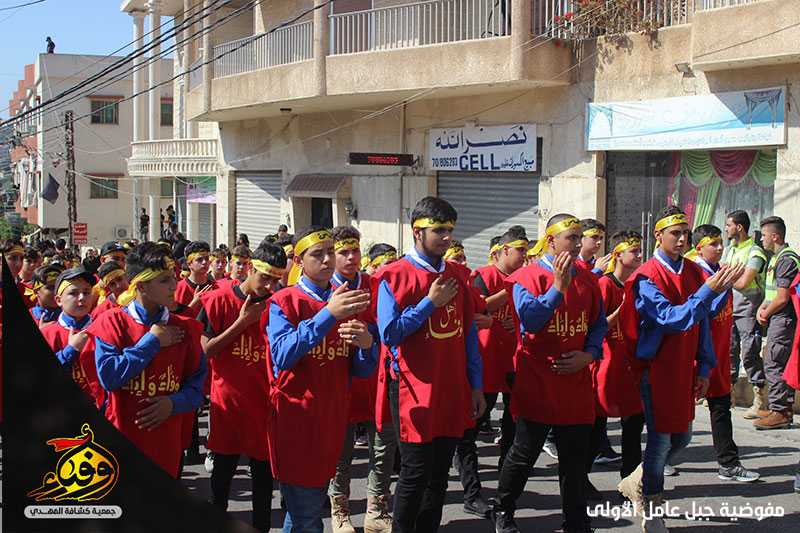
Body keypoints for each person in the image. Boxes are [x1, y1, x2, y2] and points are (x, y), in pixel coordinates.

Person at [616, 206, 742, 533]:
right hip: (656, 368)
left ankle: (638, 479)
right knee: (660, 442)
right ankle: (651, 509)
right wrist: (709, 290)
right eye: (676, 233)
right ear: (658, 235)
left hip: (684, 367)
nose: (683, 239)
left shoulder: (694, 271)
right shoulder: (646, 277)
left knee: (682, 436)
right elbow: (672, 319)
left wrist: (705, 368)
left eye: (685, 233)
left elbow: (702, 323)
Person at [375, 197, 485, 533]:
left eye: (450, 230)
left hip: (451, 386)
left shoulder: (458, 275)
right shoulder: (392, 276)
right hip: (412, 388)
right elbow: (390, 333)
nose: (447, 237)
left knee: (439, 477)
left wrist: (476, 384)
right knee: (414, 474)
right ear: (417, 231)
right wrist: (429, 303)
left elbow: (468, 334)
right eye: (438, 230)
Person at [492, 214, 607, 533]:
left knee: (574, 459)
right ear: (551, 240)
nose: (578, 243)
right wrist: (558, 287)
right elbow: (531, 320)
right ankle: (503, 509)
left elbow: (598, 324)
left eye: (580, 237)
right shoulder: (527, 277)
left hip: (576, 381)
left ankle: (576, 521)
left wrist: (589, 354)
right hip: (537, 381)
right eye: (571, 237)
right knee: (524, 453)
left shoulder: (587, 278)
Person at [267, 226, 378, 532]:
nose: (328, 260)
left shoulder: (347, 300)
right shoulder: (284, 301)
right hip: (297, 419)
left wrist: (367, 346)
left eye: (330, 252)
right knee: (308, 515)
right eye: (318, 254)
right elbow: (282, 355)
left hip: (332, 418)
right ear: (299, 261)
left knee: (303, 511)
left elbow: (361, 370)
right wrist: (328, 314)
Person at [87, 242, 207, 478]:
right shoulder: (111, 322)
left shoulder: (186, 327)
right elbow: (109, 377)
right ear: (141, 286)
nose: (174, 285)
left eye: (173, 277)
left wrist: (174, 403)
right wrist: (151, 342)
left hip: (167, 445)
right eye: (164, 280)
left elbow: (198, 386)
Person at [199, 243, 287, 533]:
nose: (269, 286)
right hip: (227, 405)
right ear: (250, 268)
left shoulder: (277, 304)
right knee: (222, 476)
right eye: (265, 278)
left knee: (263, 477)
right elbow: (206, 351)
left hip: (264, 404)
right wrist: (242, 322)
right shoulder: (217, 301)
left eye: (276, 280)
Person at [327, 226, 396, 533]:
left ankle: (376, 511)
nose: (351, 257)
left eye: (354, 251)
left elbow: (391, 330)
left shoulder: (376, 285)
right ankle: (340, 511)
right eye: (343, 252)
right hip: (339, 385)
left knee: (382, 450)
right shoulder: (324, 288)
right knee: (340, 455)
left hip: (376, 383)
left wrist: (372, 339)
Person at [689, 225, 760, 482]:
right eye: (714, 244)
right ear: (699, 248)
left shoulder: (719, 270)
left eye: (721, 243)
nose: (720, 248)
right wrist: (721, 286)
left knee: (721, 408)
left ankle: (728, 464)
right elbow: (698, 311)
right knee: (678, 416)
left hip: (719, 355)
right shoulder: (695, 274)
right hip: (697, 356)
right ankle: (656, 462)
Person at [588, 231, 645, 495]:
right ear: (618, 255)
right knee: (595, 429)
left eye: (640, 250)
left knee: (633, 428)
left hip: (632, 366)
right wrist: (622, 310)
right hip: (607, 366)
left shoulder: (639, 284)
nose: (640, 255)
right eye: (634, 251)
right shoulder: (605, 284)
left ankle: (630, 483)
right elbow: (595, 326)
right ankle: (579, 480)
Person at [471, 228, 528, 470]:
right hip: (488, 355)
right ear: (505, 250)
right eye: (520, 250)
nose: (524, 256)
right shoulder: (483, 275)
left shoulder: (527, 276)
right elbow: (478, 308)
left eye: (526, 251)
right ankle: (466, 461)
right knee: (479, 414)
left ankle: (508, 463)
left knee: (514, 415)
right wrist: (508, 290)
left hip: (515, 355)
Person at [721, 210, 768, 418]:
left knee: (749, 353)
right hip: (729, 308)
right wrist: (733, 274)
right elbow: (722, 273)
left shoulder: (755, 252)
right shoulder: (730, 249)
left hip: (748, 309)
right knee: (729, 352)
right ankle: (728, 395)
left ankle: (759, 400)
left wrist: (729, 275)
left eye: (728, 225)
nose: (726, 229)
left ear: (739, 227)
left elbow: (743, 283)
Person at [753, 216, 798, 430]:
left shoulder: (787, 259)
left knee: (774, 362)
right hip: (776, 317)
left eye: (764, 235)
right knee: (775, 360)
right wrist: (762, 308)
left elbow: (782, 298)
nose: (761, 239)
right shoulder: (775, 258)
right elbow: (772, 293)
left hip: (783, 318)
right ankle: (778, 408)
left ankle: (780, 411)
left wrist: (766, 312)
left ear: (775, 236)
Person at [40, 267, 103, 408]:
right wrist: (70, 350)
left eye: (86, 292)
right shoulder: (48, 334)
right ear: (58, 300)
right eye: (73, 293)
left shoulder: (104, 328)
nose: (82, 298)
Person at [174, 241, 218, 316]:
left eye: (207, 258)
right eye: (199, 259)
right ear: (189, 264)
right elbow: (175, 319)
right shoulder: (178, 288)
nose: (204, 262)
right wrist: (194, 303)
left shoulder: (216, 286)